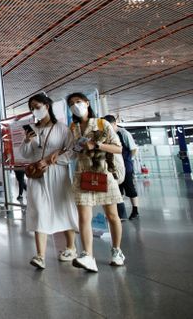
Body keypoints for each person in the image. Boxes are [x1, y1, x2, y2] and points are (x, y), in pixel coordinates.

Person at [66, 93, 125, 272]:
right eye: (71, 104)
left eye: (78, 102)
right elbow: (73, 152)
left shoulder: (101, 124)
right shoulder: (73, 127)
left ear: (87, 103)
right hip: (82, 175)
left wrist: (97, 145)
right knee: (84, 217)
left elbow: (118, 148)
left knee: (112, 215)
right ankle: (87, 255)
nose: (75, 106)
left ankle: (117, 251)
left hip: (103, 174)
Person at [21, 93, 78, 270]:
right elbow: (25, 154)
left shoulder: (62, 128)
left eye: (37, 106)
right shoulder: (32, 129)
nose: (35, 111)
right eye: (32, 108)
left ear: (47, 105)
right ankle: (40, 255)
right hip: (37, 174)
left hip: (57, 173)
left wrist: (53, 160)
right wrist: (26, 141)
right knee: (39, 209)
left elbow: (72, 151)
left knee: (63, 207)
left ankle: (71, 247)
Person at [104, 115, 140, 221]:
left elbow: (133, 149)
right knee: (116, 190)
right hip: (113, 167)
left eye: (109, 125)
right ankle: (120, 214)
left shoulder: (123, 133)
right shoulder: (107, 134)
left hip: (126, 166)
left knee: (130, 189)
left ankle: (135, 211)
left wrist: (128, 160)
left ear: (114, 123)